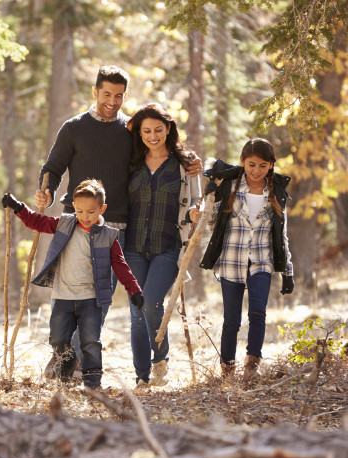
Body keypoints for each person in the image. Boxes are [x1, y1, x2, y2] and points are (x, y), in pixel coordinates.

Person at [34, 65, 201, 380]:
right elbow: (53, 168)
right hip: (76, 225)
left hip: (117, 231)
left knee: (100, 299)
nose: (112, 101)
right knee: (70, 295)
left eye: (119, 95)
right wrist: (46, 190)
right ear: (95, 92)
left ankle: (70, 363)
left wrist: (191, 162)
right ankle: (63, 356)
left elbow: (160, 152)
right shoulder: (73, 128)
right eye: (107, 94)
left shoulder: (130, 130)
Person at [2, 179, 144, 390]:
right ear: (74, 208)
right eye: (80, 211)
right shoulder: (65, 224)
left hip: (91, 300)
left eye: (91, 212)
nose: (85, 217)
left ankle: (93, 383)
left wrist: (134, 289)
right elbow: (37, 222)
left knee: (90, 342)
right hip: (63, 297)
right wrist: (18, 207)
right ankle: (67, 361)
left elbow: (120, 265)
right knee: (57, 339)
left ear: (102, 209)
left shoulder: (108, 236)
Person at [193, 138, 295, 380]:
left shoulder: (276, 193)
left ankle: (252, 363)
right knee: (231, 319)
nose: (256, 171)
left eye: (262, 165)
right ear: (242, 162)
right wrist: (197, 214)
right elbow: (211, 220)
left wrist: (288, 271)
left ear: (271, 165)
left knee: (258, 312)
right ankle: (227, 367)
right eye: (251, 165)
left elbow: (282, 235)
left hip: (262, 261)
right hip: (231, 261)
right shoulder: (229, 187)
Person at [124, 103, 201, 389]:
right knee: (136, 311)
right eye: (147, 131)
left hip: (168, 246)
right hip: (132, 246)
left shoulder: (185, 164)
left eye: (158, 129)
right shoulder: (131, 161)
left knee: (152, 302)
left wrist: (196, 211)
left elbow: (197, 199)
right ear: (140, 133)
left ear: (168, 129)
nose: (153, 135)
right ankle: (141, 376)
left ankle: (160, 359)